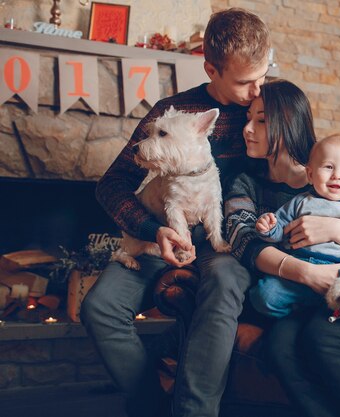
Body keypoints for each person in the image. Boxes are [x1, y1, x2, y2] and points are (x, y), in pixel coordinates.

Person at [81, 8, 271, 417]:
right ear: (210, 69)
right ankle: (152, 405)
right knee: (99, 308)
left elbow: (309, 169)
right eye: (244, 81)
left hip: (228, 239)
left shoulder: (270, 108)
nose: (258, 90)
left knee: (223, 284)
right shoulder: (170, 114)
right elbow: (111, 186)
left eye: (264, 74)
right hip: (165, 231)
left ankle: (193, 412)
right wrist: (154, 230)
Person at [225, 79, 340, 417]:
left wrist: (339, 230)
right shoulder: (246, 182)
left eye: (261, 120)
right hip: (303, 295)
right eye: (248, 118)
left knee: (324, 337)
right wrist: (309, 273)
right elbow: (242, 240)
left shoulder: (330, 174)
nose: (247, 129)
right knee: (280, 347)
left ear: (287, 122)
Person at [251, 135, 340, 324]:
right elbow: (280, 231)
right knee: (264, 295)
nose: (337, 175)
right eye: (328, 167)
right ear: (310, 174)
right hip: (301, 269)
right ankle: (305, 310)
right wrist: (268, 228)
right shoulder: (299, 203)